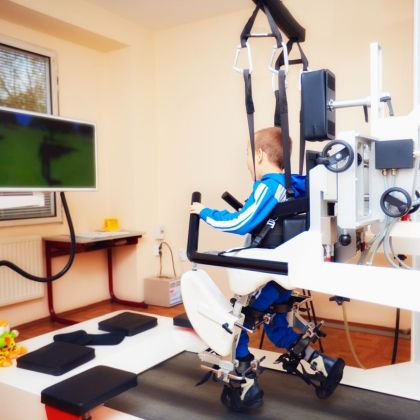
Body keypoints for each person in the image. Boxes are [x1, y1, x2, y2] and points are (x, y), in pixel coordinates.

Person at [190, 126, 306, 410]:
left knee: (240, 324)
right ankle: (320, 364)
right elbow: (263, 219)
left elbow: (240, 223)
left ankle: (244, 389)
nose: (246, 160)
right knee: (277, 325)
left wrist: (203, 212)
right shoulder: (292, 185)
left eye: (247, 154)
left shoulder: (269, 185)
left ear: (260, 154)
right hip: (281, 273)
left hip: (265, 273)